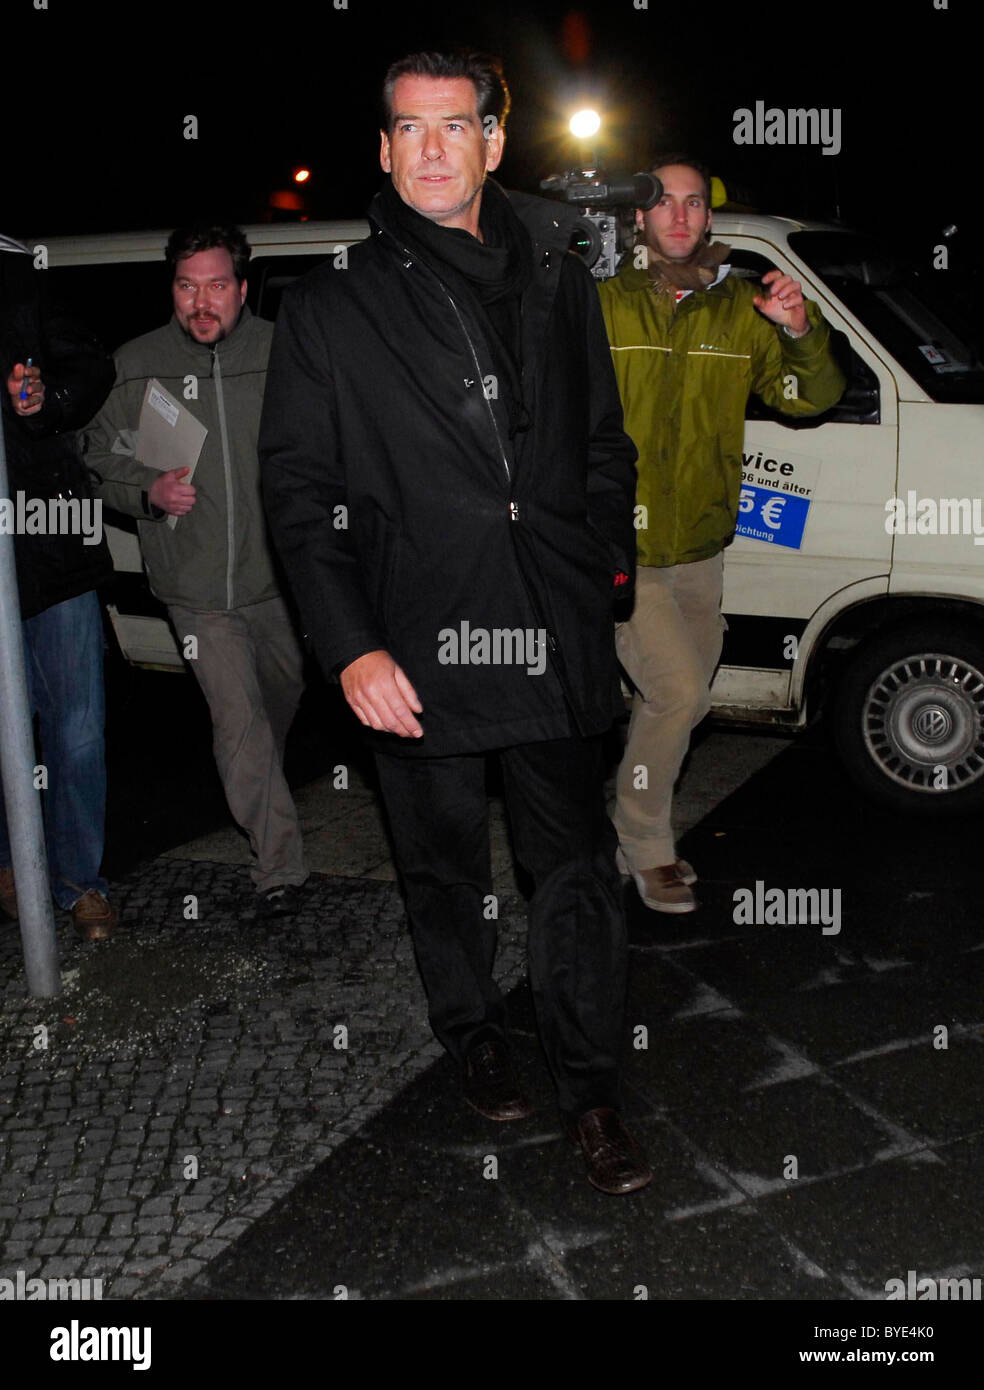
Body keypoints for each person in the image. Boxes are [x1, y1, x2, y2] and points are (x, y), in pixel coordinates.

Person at [260, 50, 650, 1194]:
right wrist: (352, 645)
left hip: (554, 631)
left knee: (575, 872)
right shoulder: (331, 308)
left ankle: (592, 1090)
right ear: (384, 151)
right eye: (409, 129)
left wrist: (604, 560)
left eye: (455, 126)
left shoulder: (559, 278)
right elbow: (296, 492)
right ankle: (474, 1028)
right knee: (441, 871)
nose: (433, 147)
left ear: (491, 142)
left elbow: (601, 444)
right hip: (415, 646)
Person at [598, 156, 845, 913]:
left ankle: (615, 810)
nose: (679, 216)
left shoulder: (740, 310)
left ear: (711, 217)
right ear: (639, 217)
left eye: (694, 203)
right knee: (675, 693)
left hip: (702, 547)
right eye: (663, 202)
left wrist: (800, 330)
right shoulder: (600, 302)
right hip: (619, 547)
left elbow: (810, 398)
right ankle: (644, 846)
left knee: (684, 700)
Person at [83, 225, 308, 918]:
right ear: (172, 289)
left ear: (242, 289)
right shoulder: (136, 364)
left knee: (278, 701)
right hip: (195, 589)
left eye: (216, 286)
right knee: (238, 720)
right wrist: (144, 491)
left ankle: (260, 789)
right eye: (187, 286)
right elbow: (97, 458)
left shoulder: (283, 353)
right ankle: (281, 870)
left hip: (279, 582)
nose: (201, 301)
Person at [0, 234, 117, 940]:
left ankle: (80, 883)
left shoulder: (18, 265)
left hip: (50, 541)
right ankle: (11, 864)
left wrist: (45, 400)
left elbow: (90, 365)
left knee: (76, 727)